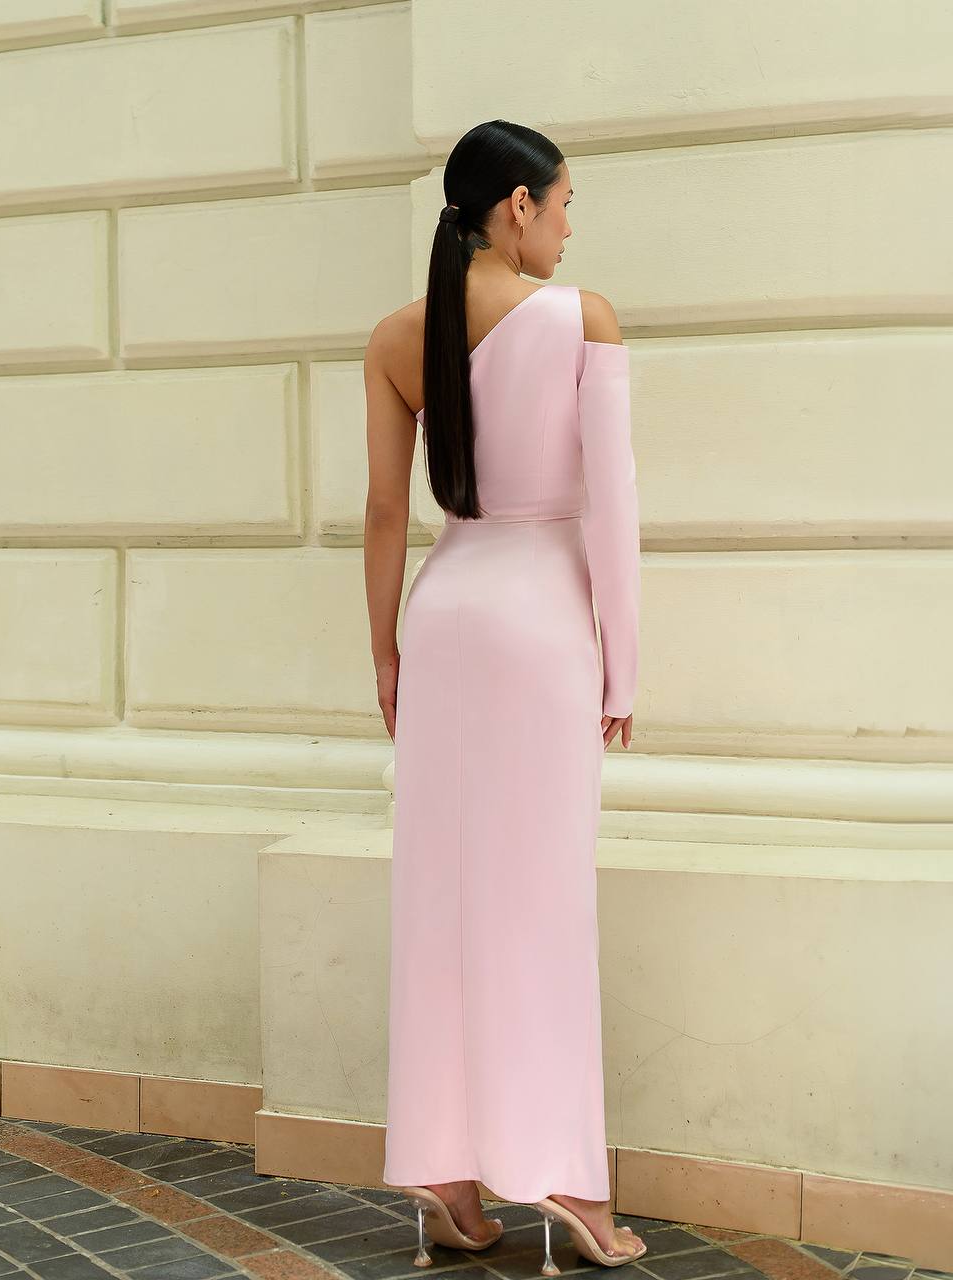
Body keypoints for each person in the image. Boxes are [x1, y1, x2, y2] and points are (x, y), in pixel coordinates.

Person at [362, 119, 644, 1273]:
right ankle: (570, 1186)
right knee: (541, 906)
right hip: (540, 625)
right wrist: (623, 660)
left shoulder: (394, 335)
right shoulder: (581, 318)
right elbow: (612, 510)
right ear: (516, 205)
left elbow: (388, 513)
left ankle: (443, 1176)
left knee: (440, 901)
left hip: (442, 613)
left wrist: (382, 650)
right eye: (565, 200)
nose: (572, 224)